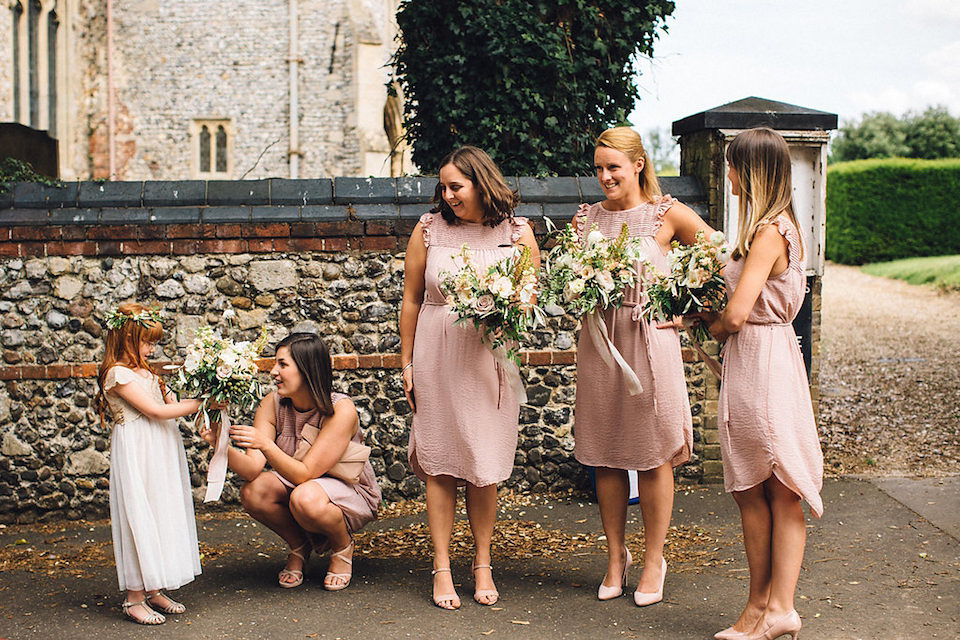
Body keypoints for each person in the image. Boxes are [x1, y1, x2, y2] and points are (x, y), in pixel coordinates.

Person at [573, 126, 714, 606]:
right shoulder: (586, 218)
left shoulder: (666, 214)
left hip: (651, 343)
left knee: (653, 454)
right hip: (600, 345)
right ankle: (616, 557)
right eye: (598, 168)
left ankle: (655, 559)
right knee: (605, 453)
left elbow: (721, 258)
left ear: (638, 164)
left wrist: (686, 309)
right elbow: (575, 279)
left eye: (613, 166)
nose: (605, 176)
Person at [399, 146, 540, 610]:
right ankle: (441, 567)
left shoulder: (518, 232)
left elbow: (528, 300)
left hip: (489, 359)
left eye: (455, 186)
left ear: (481, 183)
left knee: (483, 467)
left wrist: (511, 312)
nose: (447, 194)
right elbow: (412, 300)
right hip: (437, 353)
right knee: (439, 465)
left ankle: (482, 563)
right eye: (443, 186)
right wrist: (407, 363)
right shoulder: (428, 229)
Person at [703, 128, 823, 640]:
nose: (727, 174)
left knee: (778, 487)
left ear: (750, 171)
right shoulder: (780, 226)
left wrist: (708, 323)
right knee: (754, 488)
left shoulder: (770, 231)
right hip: (761, 359)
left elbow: (735, 316)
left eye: (732, 166)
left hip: (763, 360)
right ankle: (759, 607)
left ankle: (780, 608)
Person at [200, 332, 381, 590]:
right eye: (275, 363)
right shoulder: (272, 403)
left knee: (305, 497)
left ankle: (342, 546)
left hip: (344, 491)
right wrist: (219, 444)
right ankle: (299, 546)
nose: (273, 372)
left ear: (308, 370)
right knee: (254, 491)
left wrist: (265, 444)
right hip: (300, 485)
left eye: (282, 364)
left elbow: (306, 474)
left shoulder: (340, 409)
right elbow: (252, 470)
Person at [96, 303, 204, 625]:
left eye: (153, 342)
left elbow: (172, 404)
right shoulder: (118, 374)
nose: (151, 348)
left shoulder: (150, 374)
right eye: (146, 341)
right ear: (125, 338)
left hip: (161, 448)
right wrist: (198, 403)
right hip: (138, 449)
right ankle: (133, 598)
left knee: (161, 510)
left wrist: (206, 394)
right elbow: (155, 412)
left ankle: (154, 588)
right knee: (139, 513)